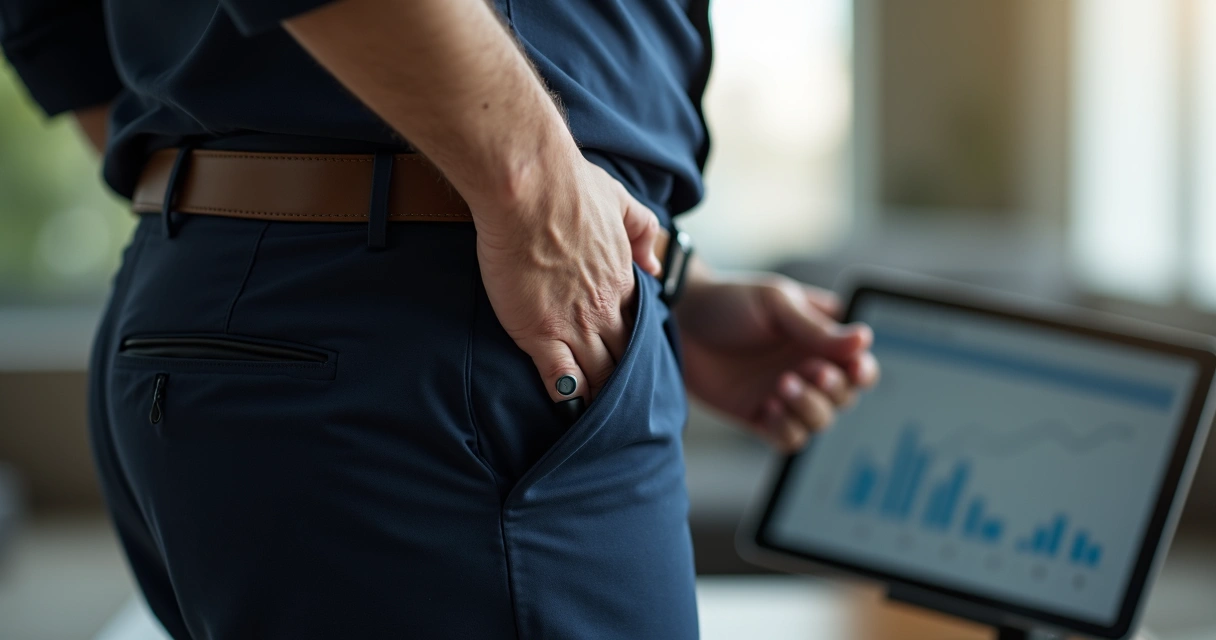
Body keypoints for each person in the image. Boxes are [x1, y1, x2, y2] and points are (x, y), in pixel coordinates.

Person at [1, 0, 878, 637]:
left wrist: (666, 289)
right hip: (445, 346)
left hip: (194, 310)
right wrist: (529, 191)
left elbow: (59, 29)